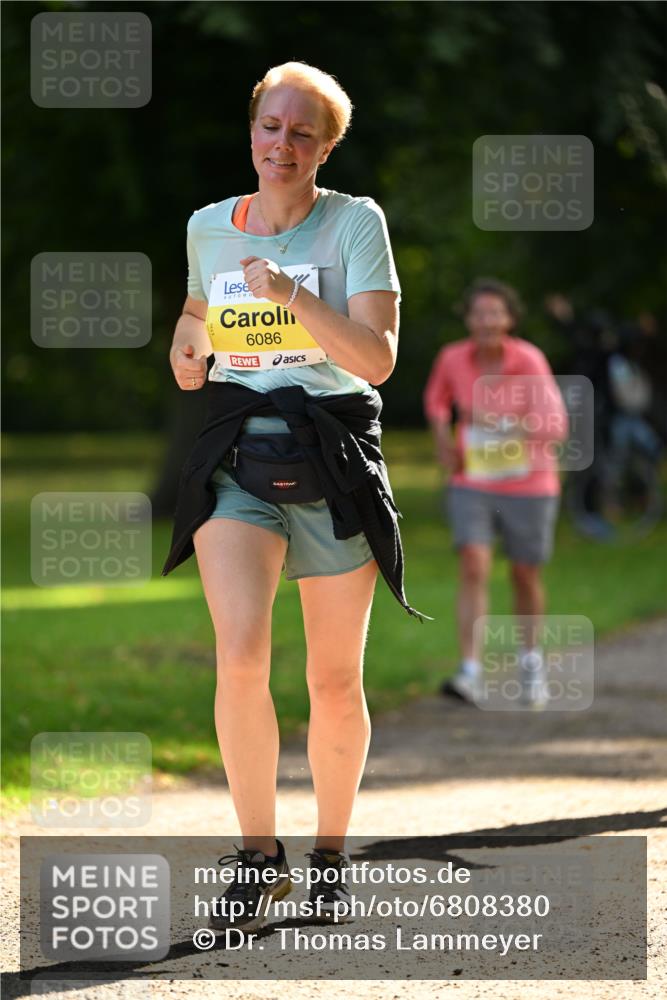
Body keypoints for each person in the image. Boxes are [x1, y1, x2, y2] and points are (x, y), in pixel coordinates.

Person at [163, 61, 421, 932]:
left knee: (332, 679)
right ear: (252, 132)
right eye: (270, 126)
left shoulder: (354, 223)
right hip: (238, 456)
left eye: (302, 132)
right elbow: (196, 310)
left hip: (333, 459)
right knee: (239, 656)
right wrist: (187, 344)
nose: (282, 144)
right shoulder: (207, 224)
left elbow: (376, 359)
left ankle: (330, 857)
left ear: (325, 147)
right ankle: (257, 857)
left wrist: (293, 296)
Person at [424, 278, 568, 709]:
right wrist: (441, 437)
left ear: (509, 319)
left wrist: (501, 423)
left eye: (495, 313)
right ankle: (470, 671)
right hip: (473, 480)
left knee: (525, 574)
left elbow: (555, 426)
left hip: (529, 481)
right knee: (473, 562)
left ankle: (530, 662)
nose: (486, 321)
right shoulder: (452, 358)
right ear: (468, 319)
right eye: (478, 313)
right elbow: (435, 400)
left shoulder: (530, 360)